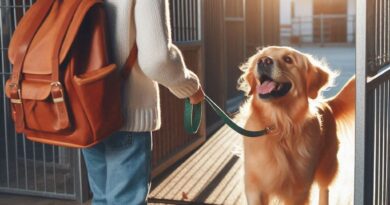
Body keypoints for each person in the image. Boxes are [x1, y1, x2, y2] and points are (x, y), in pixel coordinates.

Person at [81, 0, 205, 204]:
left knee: (102, 198)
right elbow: (157, 59)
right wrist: (190, 87)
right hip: (126, 113)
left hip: (85, 107)